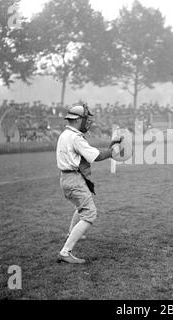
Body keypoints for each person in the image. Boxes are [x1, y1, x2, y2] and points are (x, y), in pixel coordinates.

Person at [56, 104, 122, 264]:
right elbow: (95, 156)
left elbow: (90, 153)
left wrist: (108, 149)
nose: (88, 123)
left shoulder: (65, 134)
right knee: (90, 213)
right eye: (85, 119)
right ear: (78, 120)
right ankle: (65, 252)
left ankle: (72, 232)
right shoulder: (75, 138)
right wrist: (111, 152)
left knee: (82, 208)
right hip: (74, 179)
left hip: (67, 178)